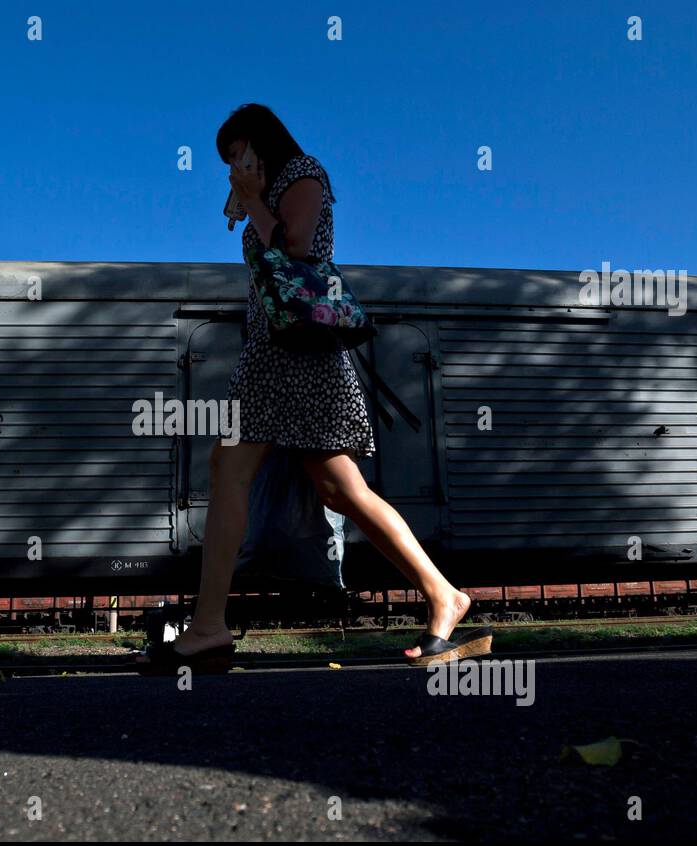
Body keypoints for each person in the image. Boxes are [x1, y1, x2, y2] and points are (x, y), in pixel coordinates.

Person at [137, 104, 491, 674]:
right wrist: (252, 205)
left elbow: (297, 247)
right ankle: (444, 594)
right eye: (228, 160)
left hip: (294, 355)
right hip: (282, 353)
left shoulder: (303, 174)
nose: (231, 166)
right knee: (339, 489)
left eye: (236, 154)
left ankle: (207, 628)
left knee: (232, 468)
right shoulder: (271, 194)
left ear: (261, 145)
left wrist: (254, 201)